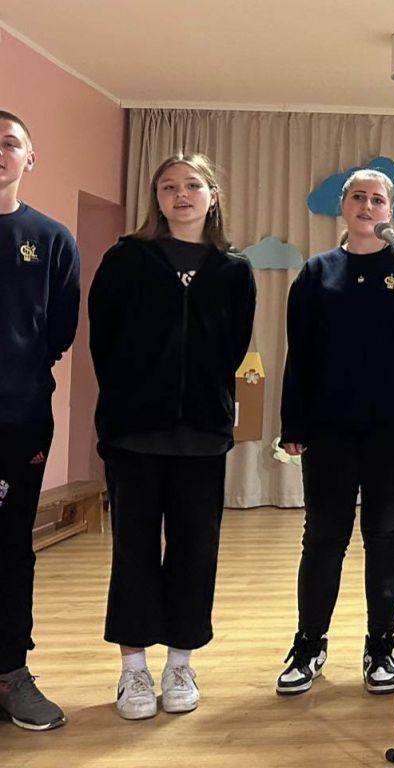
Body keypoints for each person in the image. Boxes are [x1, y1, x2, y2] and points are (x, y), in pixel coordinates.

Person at [90, 153, 256, 720]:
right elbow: (104, 341)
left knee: (195, 550)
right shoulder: (125, 259)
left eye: (192, 185)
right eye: (168, 186)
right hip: (134, 434)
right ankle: (133, 669)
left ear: (212, 195)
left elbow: (234, 347)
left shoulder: (234, 269)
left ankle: (180, 662)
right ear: (156, 198)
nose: (180, 195)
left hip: (203, 436)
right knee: (133, 550)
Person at [276, 169, 394, 696]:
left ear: (390, 211)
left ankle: (381, 647)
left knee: (386, 535)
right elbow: (299, 355)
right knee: (323, 537)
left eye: (377, 199)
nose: (367, 206)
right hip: (329, 430)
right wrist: (293, 424)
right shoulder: (317, 273)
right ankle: (309, 644)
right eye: (359, 197)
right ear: (343, 206)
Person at [0, 111, 79, 731]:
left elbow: (59, 331)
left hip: (19, 419)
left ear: (30, 158)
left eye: (10, 143)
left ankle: (10, 673)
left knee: (9, 547)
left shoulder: (50, 238)